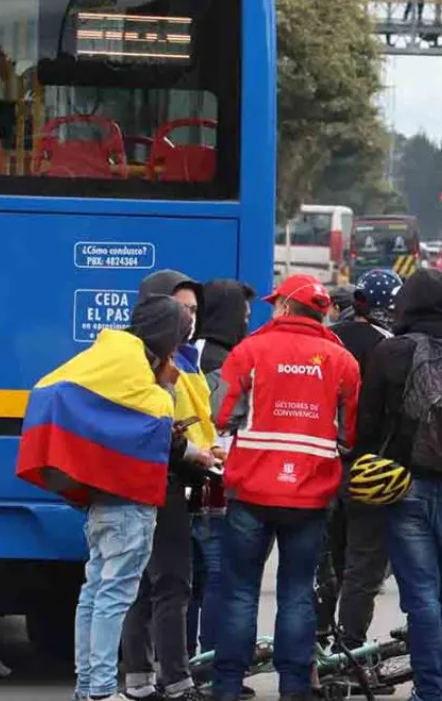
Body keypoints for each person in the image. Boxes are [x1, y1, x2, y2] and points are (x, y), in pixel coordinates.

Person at [16, 295, 196, 701]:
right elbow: (154, 420)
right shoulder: (139, 377)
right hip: (129, 505)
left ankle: (87, 687)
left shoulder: (110, 357)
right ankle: (99, 691)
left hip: (100, 502)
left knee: (94, 592)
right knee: (113, 596)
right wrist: (166, 390)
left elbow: (53, 391)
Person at [211, 275, 361, 701]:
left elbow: (220, 415)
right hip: (310, 496)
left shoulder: (249, 351)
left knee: (240, 592)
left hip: (250, 493)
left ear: (283, 309)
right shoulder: (342, 361)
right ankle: (294, 687)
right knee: (297, 592)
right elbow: (350, 431)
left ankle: (227, 685)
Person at [356, 269, 442, 701]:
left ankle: (428, 692)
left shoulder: (390, 352)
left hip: (405, 486)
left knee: (422, 598)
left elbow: (368, 425)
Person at [122, 270, 216, 701]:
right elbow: (157, 426)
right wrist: (193, 453)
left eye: (195, 310)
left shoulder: (185, 358)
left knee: (143, 584)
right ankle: (174, 682)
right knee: (171, 583)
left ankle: (140, 678)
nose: (190, 318)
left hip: (173, 475)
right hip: (160, 479)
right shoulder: (150, 362)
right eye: (182, 309)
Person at [321, 269, 401, 650]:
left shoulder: (328, 338)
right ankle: (349, 650)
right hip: (371, 468)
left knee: (326, 561)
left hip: (320, 465)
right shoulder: (390, 346)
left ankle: (317, 644)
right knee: (362, 567)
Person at [188, 280, 254, 694]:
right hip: (216, 485)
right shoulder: (228, 363)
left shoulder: (184, 351)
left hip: (181, 484)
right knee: (217, 579)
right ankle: (210, 665)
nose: (248, 321)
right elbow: (228, 421)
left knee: (185, 583)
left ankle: (178, 665)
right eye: (244, 314)